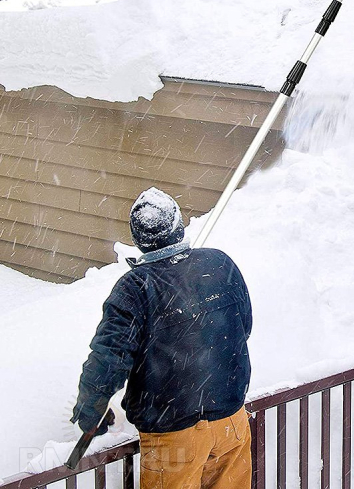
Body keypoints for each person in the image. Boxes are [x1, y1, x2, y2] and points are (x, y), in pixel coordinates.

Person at [71, 187, 252, 489]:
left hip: (174, 437)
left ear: (139, 238)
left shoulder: (135, 287)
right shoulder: (220, 264)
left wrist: (91, 408)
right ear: (178, 226)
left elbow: (109, 357)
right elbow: (243, 327)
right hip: (231, 420)